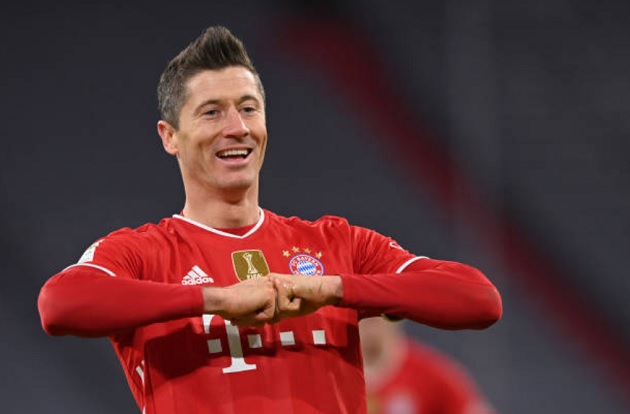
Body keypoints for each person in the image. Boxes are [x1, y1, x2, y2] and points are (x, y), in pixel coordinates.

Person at [37, 26, 502, 414]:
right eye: (212, 112)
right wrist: (216, 299)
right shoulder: (143, 253)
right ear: (170, 136)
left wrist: (333, 289)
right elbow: (60, 305)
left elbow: (479, 299)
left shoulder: (337, 244)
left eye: (248, 108)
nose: (236, 127)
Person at [360, 317, 498, 414]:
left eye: (379, 311)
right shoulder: (344, 378)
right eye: (363, 311)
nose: (371, 318)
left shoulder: (432, 376)